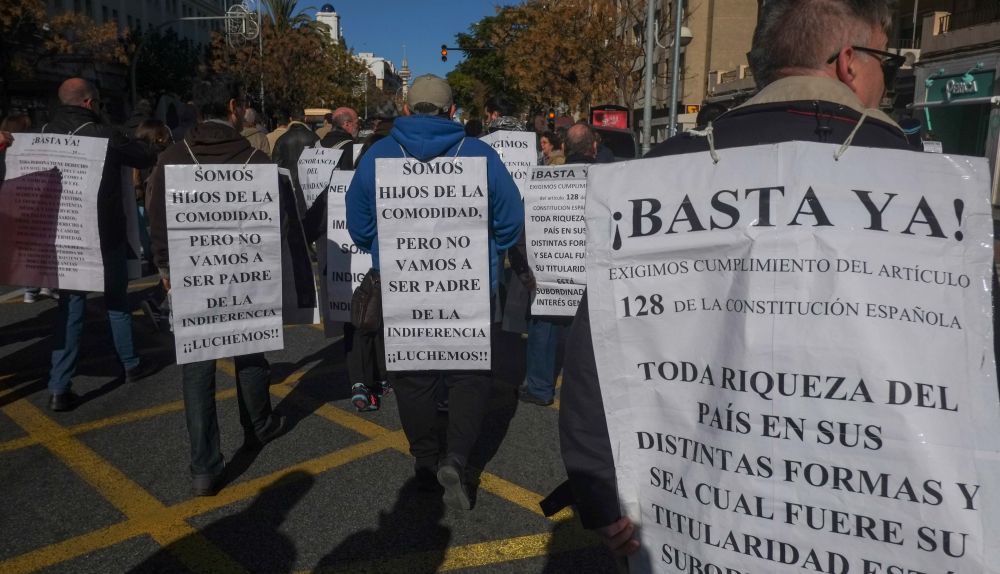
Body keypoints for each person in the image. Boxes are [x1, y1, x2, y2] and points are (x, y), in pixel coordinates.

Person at [553, 0, 911, 557]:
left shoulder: (663, 168)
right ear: (849, 62)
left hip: (695, 511)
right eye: (885, 59)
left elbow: (601, 342)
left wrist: (599, 489)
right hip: (873, 514)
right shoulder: (921, 178)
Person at [346, 74, 523, 510]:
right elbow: (511, 221)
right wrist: (488, 252)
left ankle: (425, 462)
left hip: (403, 282)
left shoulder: (378, 155)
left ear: (406, 109)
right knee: (469, 375)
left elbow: (359, 226)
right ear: (452, 111)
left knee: (413, 376)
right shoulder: (481, 154)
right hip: (470, 284)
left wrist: (384, 250)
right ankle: (457, 458)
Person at [146, 76, 298, 496]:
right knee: (250, 349)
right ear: (234, 108)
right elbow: (280, 224)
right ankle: (259, 425)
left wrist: (164, 268)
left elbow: (157, 218)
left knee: (197, 367)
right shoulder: (257, 161)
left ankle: (205, 467)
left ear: (197, 109)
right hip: (249, 274)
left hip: (191, 275)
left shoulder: (173, 157)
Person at [42, 78, 163, 412]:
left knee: (70, 308)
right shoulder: (102, 134)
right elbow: (142, 156)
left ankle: (59, 386)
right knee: (117, 301)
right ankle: (130, 364)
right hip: (103, 233)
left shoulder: (44, 133)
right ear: (89, 103)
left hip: (63, 235)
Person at [513, 124, 597, 408]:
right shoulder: (609, 180)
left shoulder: (541, 180)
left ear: (565, 148)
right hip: (592, 276)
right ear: (594, 147)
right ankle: (586, 394)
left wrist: (522, 269)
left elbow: (521, 229)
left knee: (544, 325)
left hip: (547, 275)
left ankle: (539, 387)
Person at [1, 113, 54, 304]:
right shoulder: (26, 150)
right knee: (40, 244)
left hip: (10, 206)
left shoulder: (5, 149)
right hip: (28, 203)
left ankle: (32, 288)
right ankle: (39, 286)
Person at [273, 109, 320, 212]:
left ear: (290, 119)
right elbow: (321, 163)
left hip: (289, 185)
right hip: (309, 186)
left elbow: (276, 164)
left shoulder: (282, 139)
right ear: (305, 118)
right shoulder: (314, 137)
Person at [318, 106, 359, 171]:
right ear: (346, 124)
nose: (358, 126)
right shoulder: (354, 147)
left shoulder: (315, 145)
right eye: (356, 123)